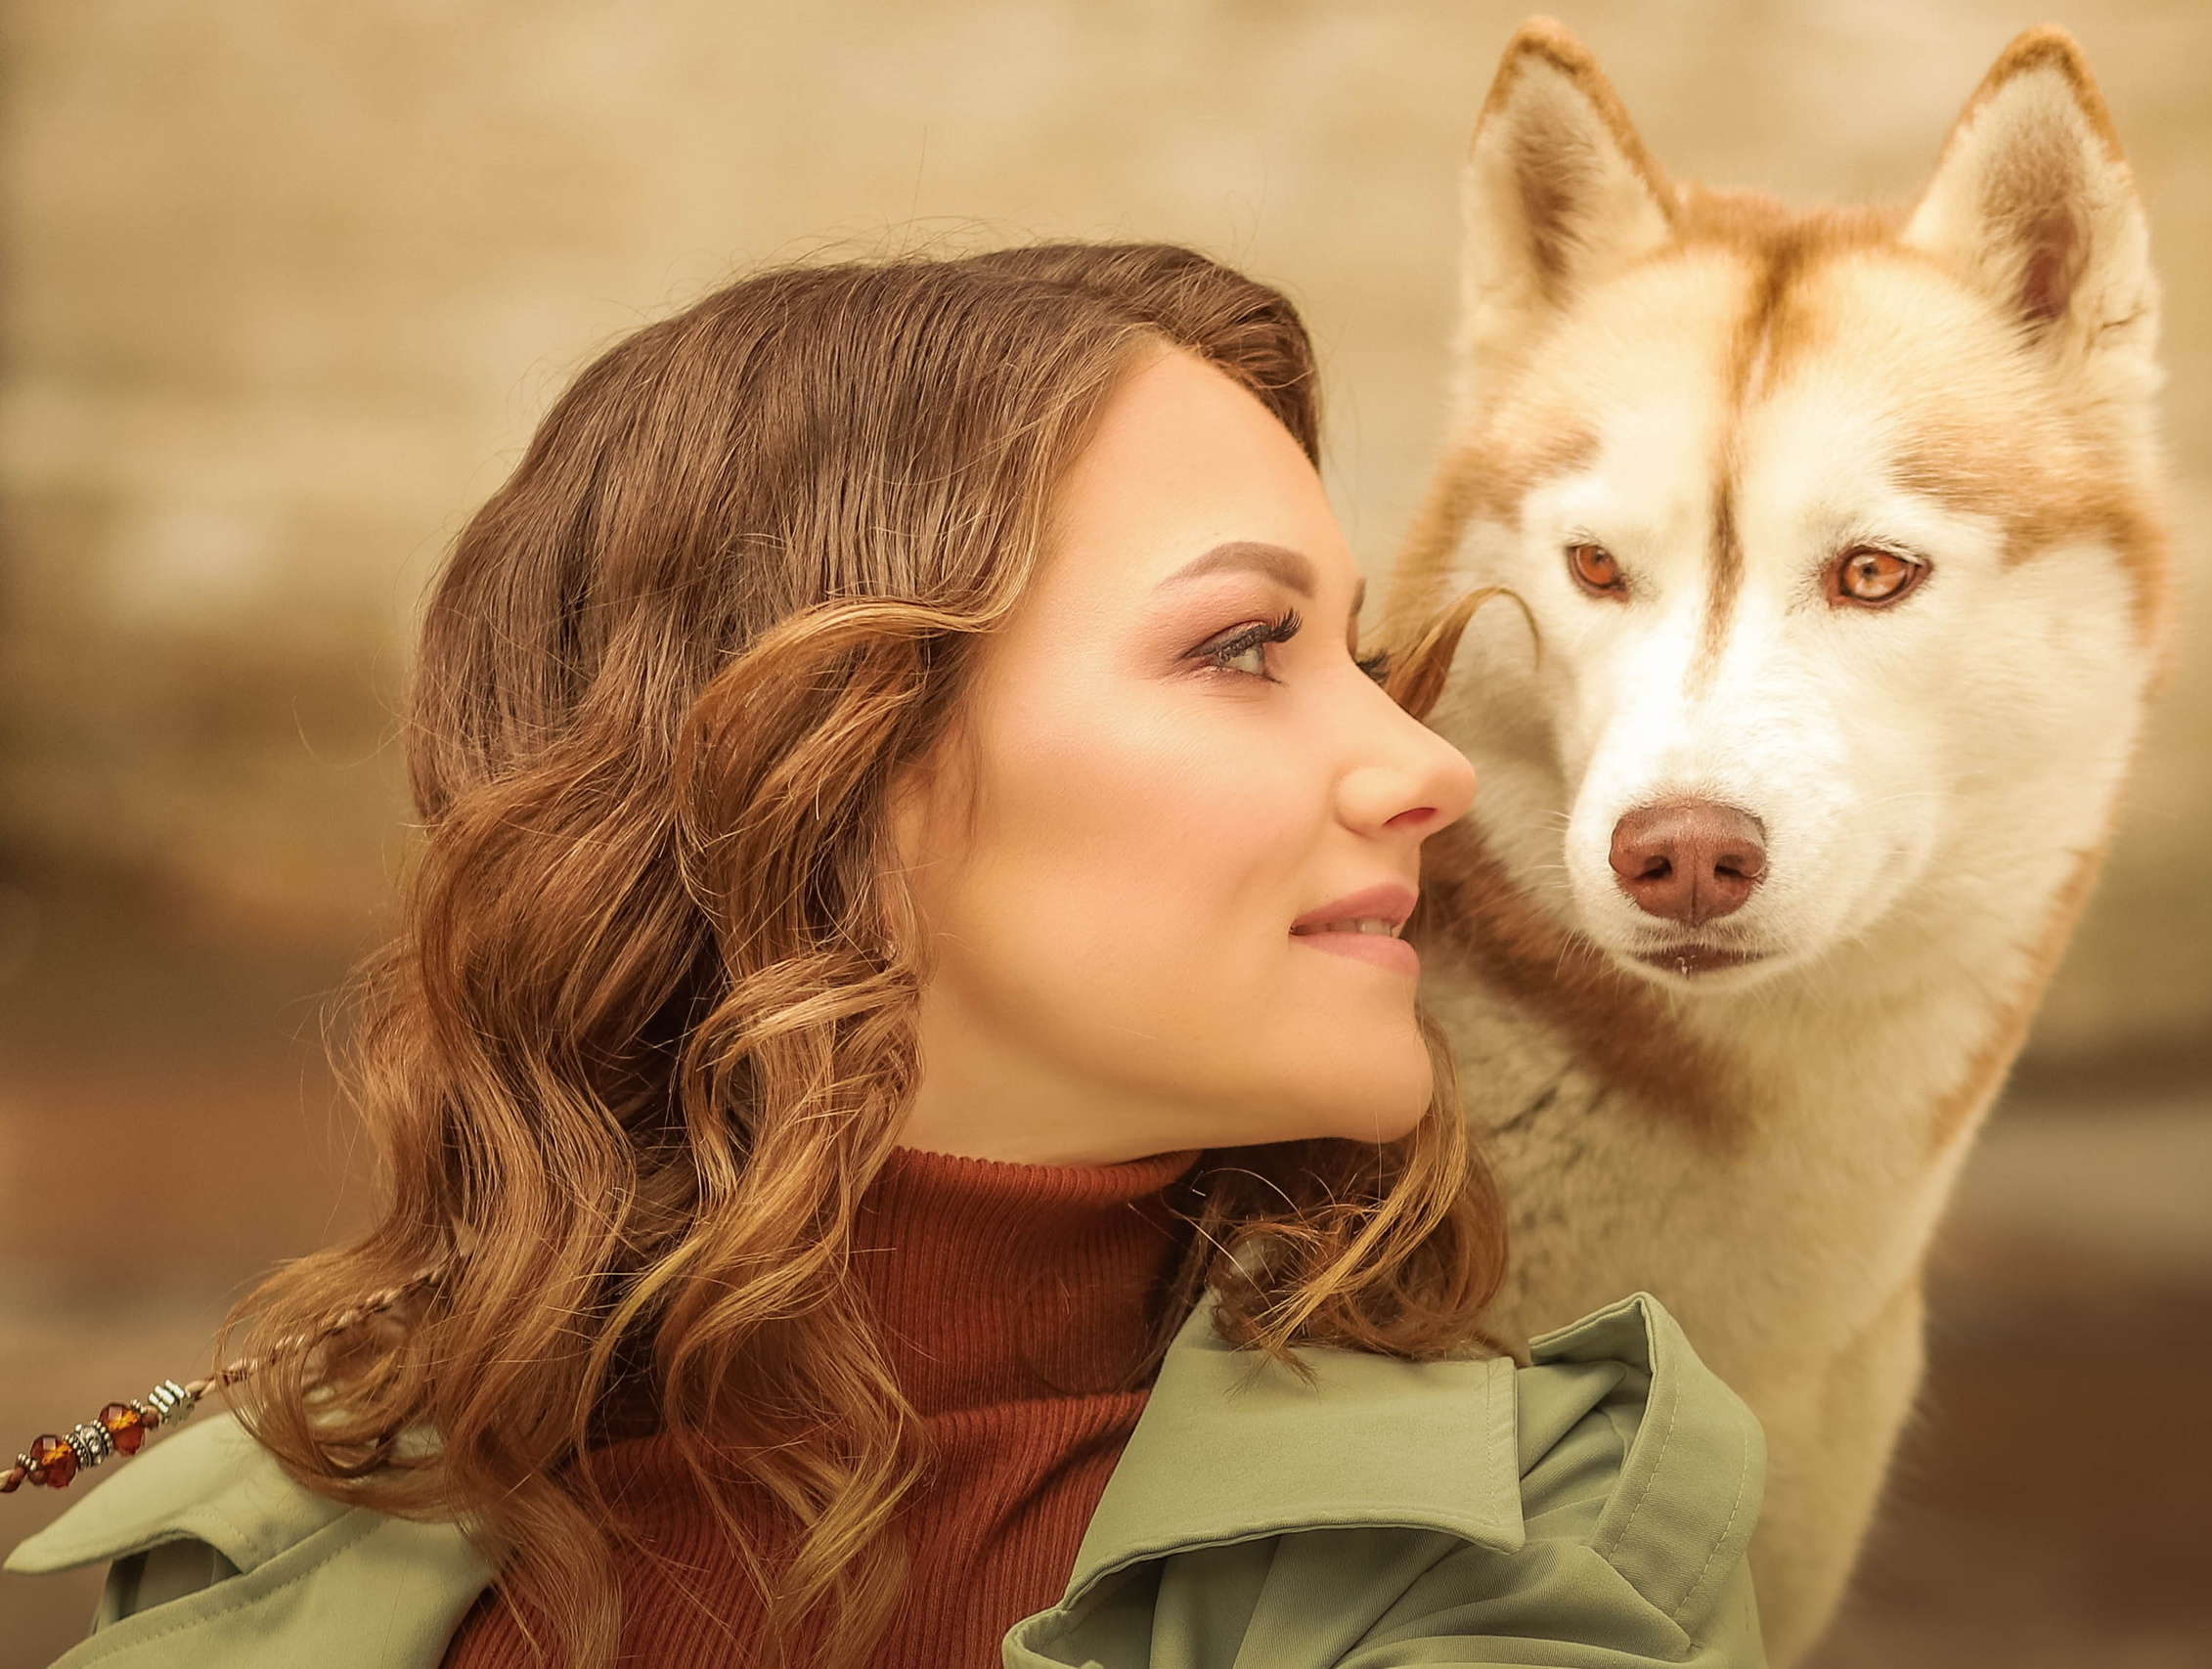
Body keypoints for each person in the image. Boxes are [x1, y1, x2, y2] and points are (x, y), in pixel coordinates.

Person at [4, 242, 1768, 1669]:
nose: (1429, 768)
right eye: (1244, 647)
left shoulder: (1529, 1550)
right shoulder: (253, 1551)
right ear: (822, 759)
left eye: (1359, 653)